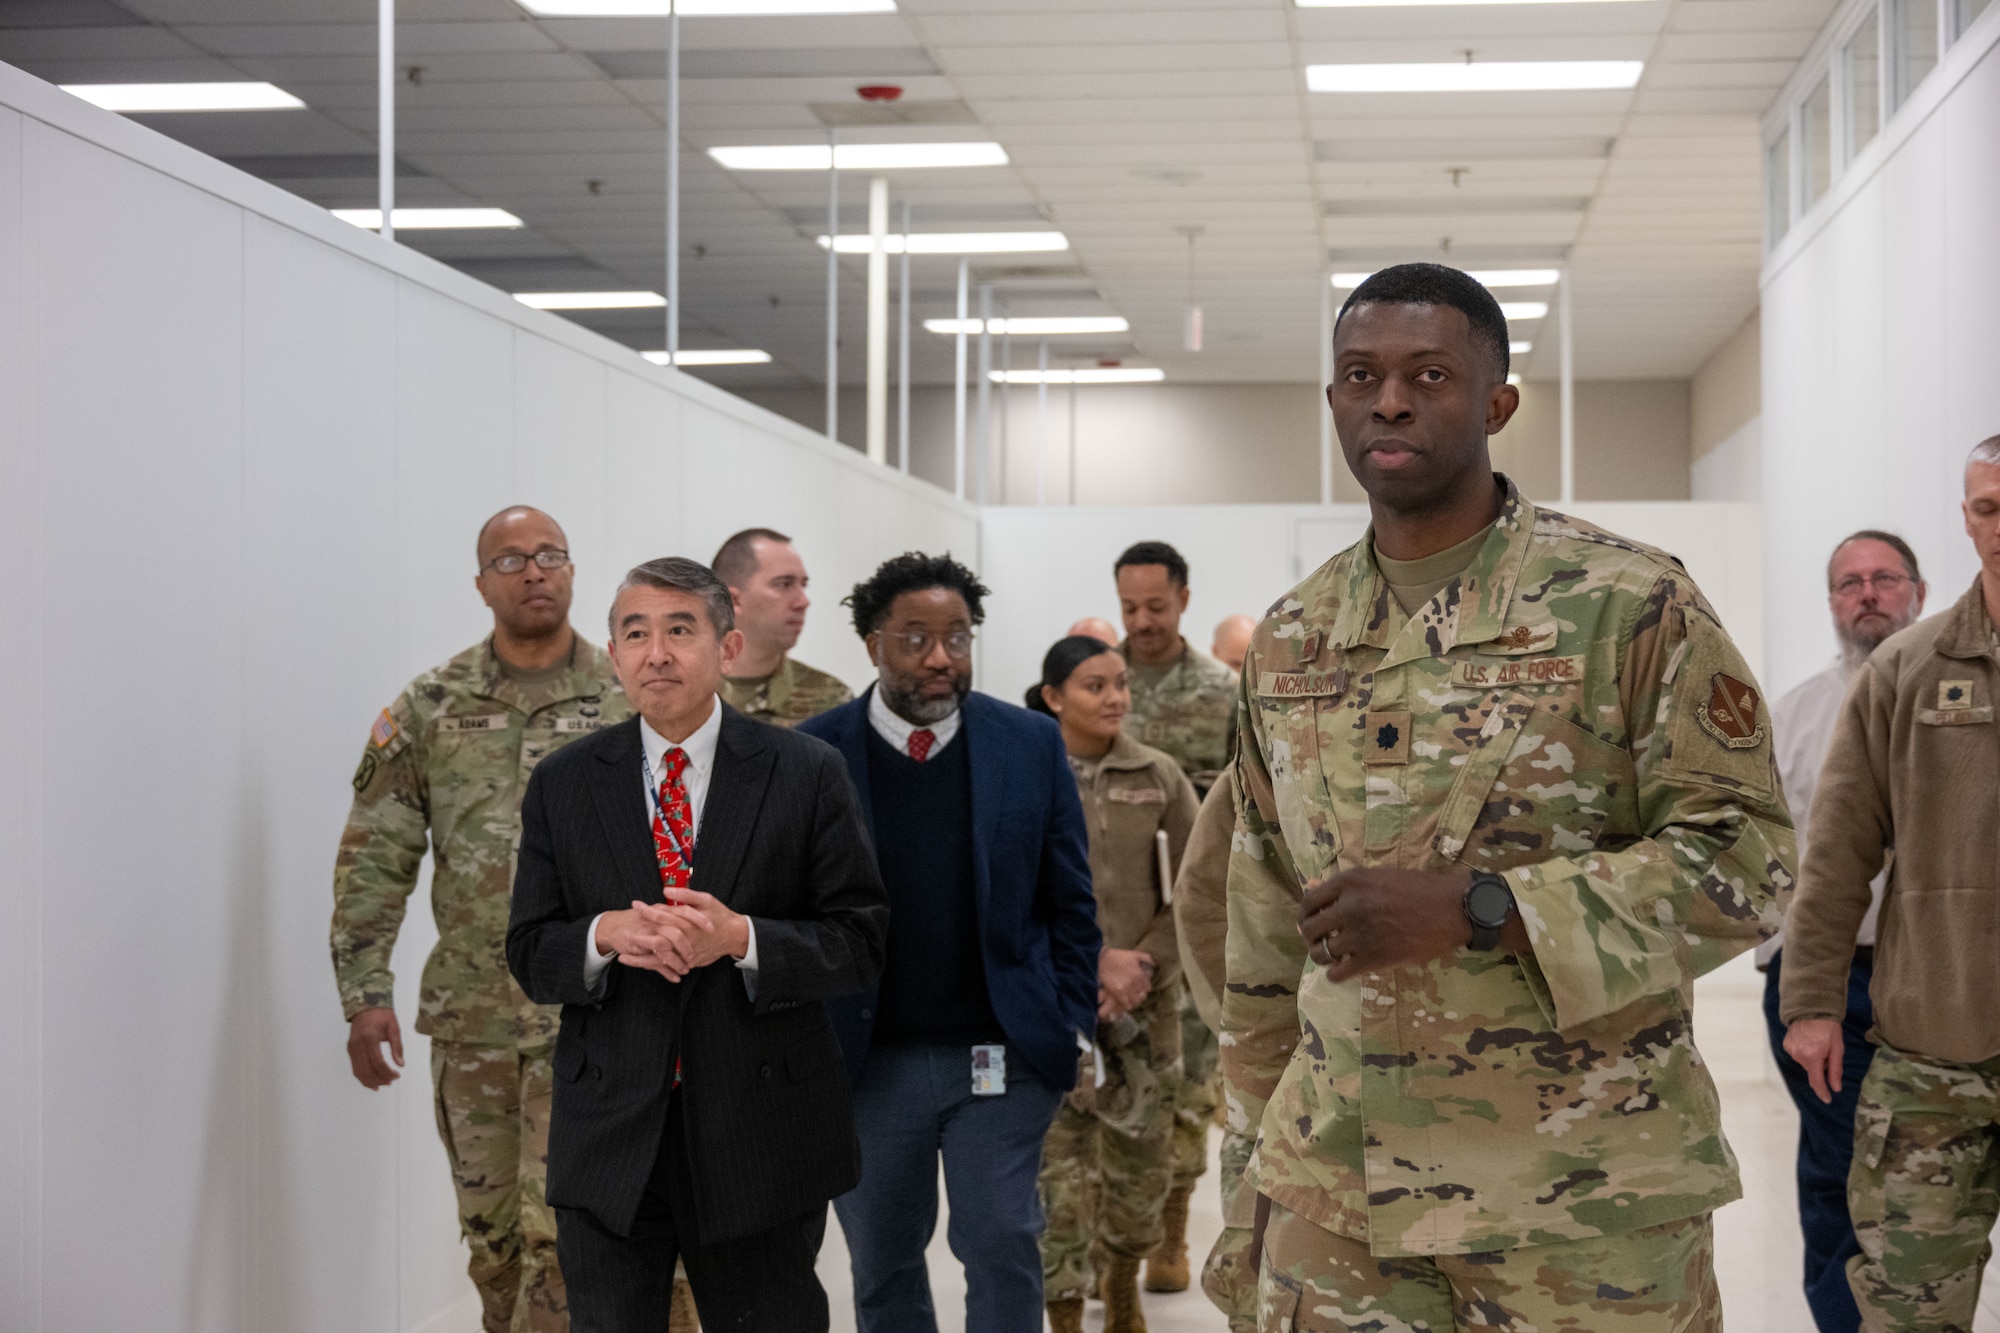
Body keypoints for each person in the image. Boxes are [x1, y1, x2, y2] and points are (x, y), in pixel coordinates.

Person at [1227, 263, 1791, 1329]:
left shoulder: (1624, 605)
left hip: (1580, 1205)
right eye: (1359, 375)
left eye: (1427, 374)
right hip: (1334, 1203)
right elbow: (1257, 928)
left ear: (1495, 404)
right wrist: (1250, 1166)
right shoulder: (1291, 638)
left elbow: (1747, 859)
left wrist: (1483, 909)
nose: (1387, 400)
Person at [505, 557, 889, 1332]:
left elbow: (859, 939)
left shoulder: (806, 771)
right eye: (635, 633)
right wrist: (602, 934)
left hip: (762, 1126)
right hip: (611, 1131)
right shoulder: (565, 780)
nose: (657, 653)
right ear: (612, 654)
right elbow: (531, 949)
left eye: (681, 630)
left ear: (729, 646)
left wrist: (739, 938)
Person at [331, 505, 629, 1333]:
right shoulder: (431, 705)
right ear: (480, 583)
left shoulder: (626, 696)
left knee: (566, 1235)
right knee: (494, 1240)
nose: (532, 571)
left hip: (596, 1012)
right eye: (509, 560)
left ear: (572, 569)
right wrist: (364, 993)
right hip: (476, 1022)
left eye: (548, 554)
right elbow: (375, 858)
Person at [798, 553, 1101, 1333]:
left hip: (999, 1054)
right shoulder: (813, 754)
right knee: (884, 1257)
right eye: (917, 639)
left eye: (958, 638)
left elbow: (1070, 901)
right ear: (872, 643)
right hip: (869, 1065)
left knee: (1002, 1237)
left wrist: (1069, 1019)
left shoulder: (1028, 743)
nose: (941, 658)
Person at [1781, 437, 2000, 1332]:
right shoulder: (1909, 672)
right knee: (1907, 1306)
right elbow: (1836, 852)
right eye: (1989, 507)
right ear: (1966, 518)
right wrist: (1812, 1000)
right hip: (1931, 1060)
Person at [1759, 530, 1926, 1333]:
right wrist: (1789, 981)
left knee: (1924, 1177)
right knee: (1840, 1168)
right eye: (1850, 582)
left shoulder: (1956, 699)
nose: (1868, 594)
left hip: (1935, 982)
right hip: (1830, 984)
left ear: (1919, 590)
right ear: (1831, 603)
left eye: (1884, 578)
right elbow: (1770, 858)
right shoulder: (1793, 717)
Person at [1026, 636, 1198, 1333]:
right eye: (1095, 685)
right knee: (1052, 1174)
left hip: (1144, 1005)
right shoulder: (1027, 773)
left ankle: (1121, 1286)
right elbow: (1002, 892)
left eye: (1121, 683)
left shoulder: (1158, 775)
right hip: (1048, 1004)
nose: (1115, 697)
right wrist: (1083, 963)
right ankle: (1064, 1312)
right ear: (1053, 697)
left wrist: (1143, 961)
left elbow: (1199, 885)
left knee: (1140, 1166)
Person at [1112, 538, 1236, 1291]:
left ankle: (1170, 1227)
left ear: (1184, 598)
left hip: (1191, 917)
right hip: (1106, 911)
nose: (1143, 620)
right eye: (1130, 606)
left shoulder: (1222, 691)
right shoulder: (1095, 678)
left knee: (1188, 1080)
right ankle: (1109, 1243)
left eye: (1156, 606)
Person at [1171, 771, 1256, 1333]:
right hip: (1294, 1075)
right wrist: (1247, 1026)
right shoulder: (1283, 740)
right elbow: (1200, 898)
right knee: (1264, 1285)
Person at [711, 527, 852, 727]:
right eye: (784, 584)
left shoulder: (830, 699)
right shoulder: (679, 692)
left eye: (803, 585)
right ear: (734, 600)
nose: (803, 601)